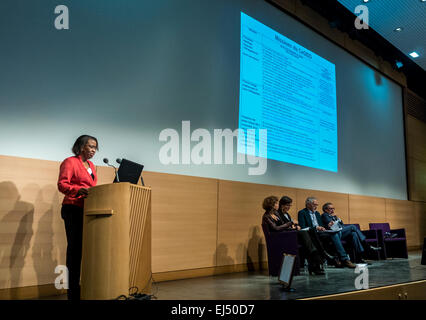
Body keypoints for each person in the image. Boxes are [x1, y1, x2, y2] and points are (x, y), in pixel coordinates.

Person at [57, 135, 99, 300]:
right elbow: (62, 184)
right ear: (81, 146)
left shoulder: (92, 166)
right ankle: (72, 292)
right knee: (74, 251)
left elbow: (92, 187)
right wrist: (77, 190)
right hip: (72, 209)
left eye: (95, 147)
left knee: (84, 251)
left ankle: (83, 287)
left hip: (87, 210)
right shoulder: (70, 162)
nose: (93, 150)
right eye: (91, 146)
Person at [262, 196, 324, 275]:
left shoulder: (275, 214)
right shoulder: (267, 216)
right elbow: (277, 228)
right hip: (279, 238)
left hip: (285, 235)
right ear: (272, 205)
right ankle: (317, 257)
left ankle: (315, 261)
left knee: (310, 234)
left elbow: (284, 226)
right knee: (305, 234)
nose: (278, 204)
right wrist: (291, 224)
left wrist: (292, 227)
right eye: (277, 203)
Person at [298, 197, 356, 268]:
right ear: (308, 204)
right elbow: (303, 227)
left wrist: (327, 226)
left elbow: (322, 225)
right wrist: (316, 228)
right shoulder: (302, 213)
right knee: (335, 234)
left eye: (317, 205)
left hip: (321, 232)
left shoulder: (317, 213)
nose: (316, 206)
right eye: (314, 205)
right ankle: (344, 259)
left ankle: (340, 259)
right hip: (313, 234)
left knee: (335, 233)